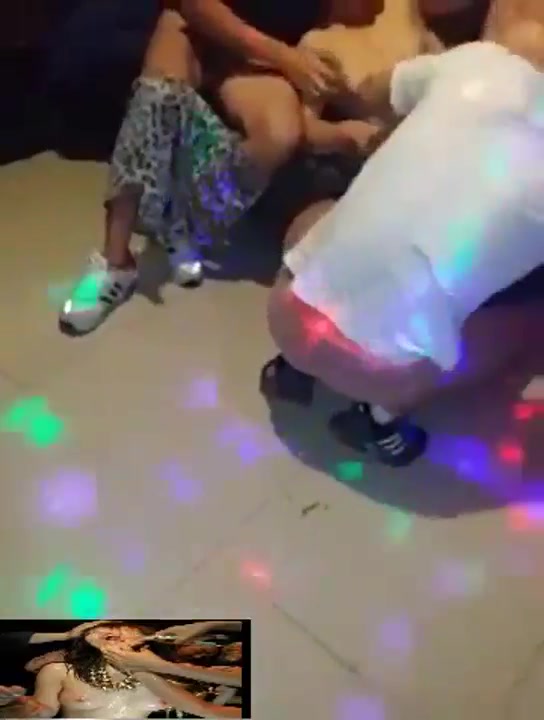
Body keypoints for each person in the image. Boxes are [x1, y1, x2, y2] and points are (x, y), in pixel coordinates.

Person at [262, 20, 544, 467]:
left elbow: (372, 90)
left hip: (286, 318)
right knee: (524, 321)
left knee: (322, 220)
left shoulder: (475, 61)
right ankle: (381, 420)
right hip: (385, 375)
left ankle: (293, 369)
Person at [58, 0, 368, 336]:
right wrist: (286, 58)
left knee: (280, 135)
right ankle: (115, 261)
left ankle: (184, 222)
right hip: (200, 27)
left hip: (263, 57)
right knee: (157, 96)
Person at [1, 622, 241, 718]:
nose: (116, 629)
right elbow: (40, 712)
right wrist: (13, 708)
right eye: (105, 627)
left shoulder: (164, 676)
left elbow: (207, 710)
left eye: (126, 628)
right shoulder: (59, 671)